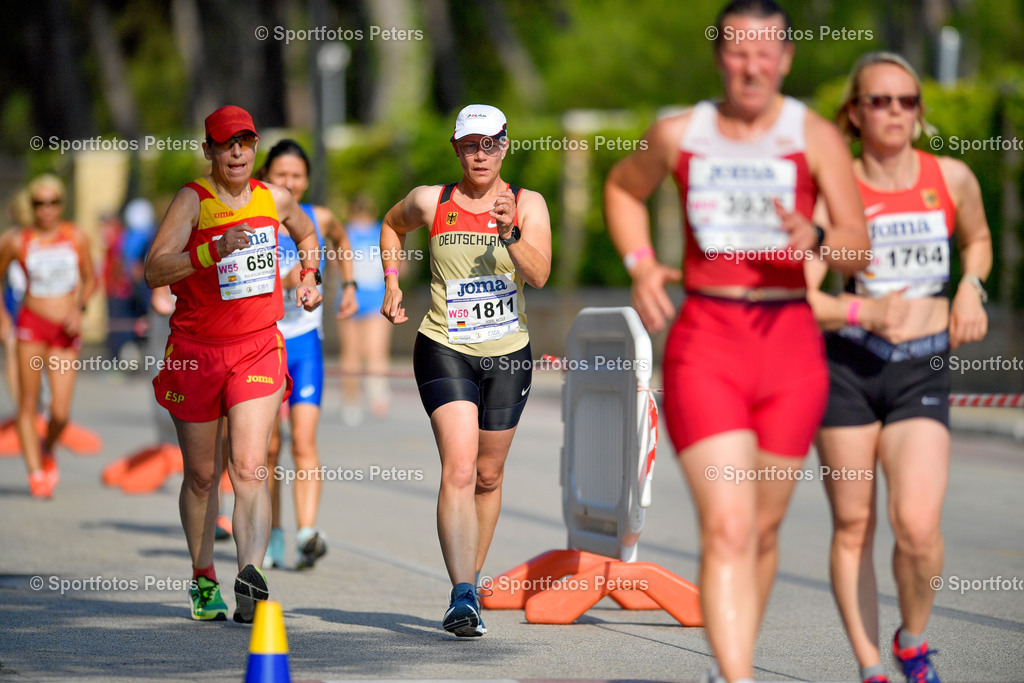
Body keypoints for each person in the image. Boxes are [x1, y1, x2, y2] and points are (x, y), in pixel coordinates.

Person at [603, 2, 872, 681]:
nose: (751, 65)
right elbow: (622, 189)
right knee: (726, 525)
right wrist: (640, 266)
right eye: (737, 50)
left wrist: (813, 238)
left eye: (765, 52)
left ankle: (730, 663)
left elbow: (858, 244)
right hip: (708, 342)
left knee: (761, 529)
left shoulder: (813, 136)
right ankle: (739, 676)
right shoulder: (678, 133)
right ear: (718, 56)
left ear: (785, 59)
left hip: (789, 346)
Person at [807, 52, 991, 683]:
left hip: (920, 370)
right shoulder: (837, 190)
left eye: (906, 101)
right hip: (848, 372)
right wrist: (861, 309)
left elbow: (979, 241)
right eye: (878, 100)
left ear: (919, 113)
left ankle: (911, 640)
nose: (893, 111)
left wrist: (971, 288)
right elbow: (805, 295)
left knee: (915, 527)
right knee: (853, 523)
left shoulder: (952, 179)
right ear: (854, 113)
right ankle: (870, 669)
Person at [144, 105, 323, 623]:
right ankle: (204, 577)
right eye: (227, 144)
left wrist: (310, 278)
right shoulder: (192, 200)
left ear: (255, 147)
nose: (238, 152)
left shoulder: (274, 198)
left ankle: (250, 575)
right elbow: (155, 270)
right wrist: (210, 251)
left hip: (257, 348)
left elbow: (308, 236)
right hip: (197, 352)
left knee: (249, 465)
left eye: (246, 142)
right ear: (210, 151)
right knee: (202, 475)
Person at [380, 104, 551, 637]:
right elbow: (391, 225)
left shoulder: (528, 203)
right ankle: (460, 593)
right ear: (456, 149)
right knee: (459, 465)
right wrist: (391, 280)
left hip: (507, 353)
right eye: (470, 145)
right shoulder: (432, 201)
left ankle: (472, 584)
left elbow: (540, 275)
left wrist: (510, 233)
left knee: (488, 474)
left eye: (490, 144)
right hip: (444, 345)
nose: (481, 154)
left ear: (505, 145)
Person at [257, 139, 357, 570]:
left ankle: (307, 532)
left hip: (304, 343)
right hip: (263, 342)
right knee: (268, 448)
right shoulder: (256, 218)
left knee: (303, 441)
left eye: (297, 175)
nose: (290, 183)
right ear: (266, 177)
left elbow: (340, 240)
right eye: (282, 175)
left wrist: (348, 285)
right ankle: (273, 533)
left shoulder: (319, 217)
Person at [0, 174, 97, 499]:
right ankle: (36, 473)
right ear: (31, 206)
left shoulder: (75, 237)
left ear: (61, 204)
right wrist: (3, 319)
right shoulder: (17, 240)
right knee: (27, 403)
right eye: (39, 203)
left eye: (52, 202)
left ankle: (47, 446)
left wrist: (78, 308)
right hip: (31, 326)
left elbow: (91, 280)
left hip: (64, 331)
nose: (46, 210)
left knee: (59, 413)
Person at [337, 194, 394, 424]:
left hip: (353, 297)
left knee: (355, 352)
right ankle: (374, 393)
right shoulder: (380, 230)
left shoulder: (344, 232)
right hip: (369, 297)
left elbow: (333, 264)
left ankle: (354, 401)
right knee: (373, 351)